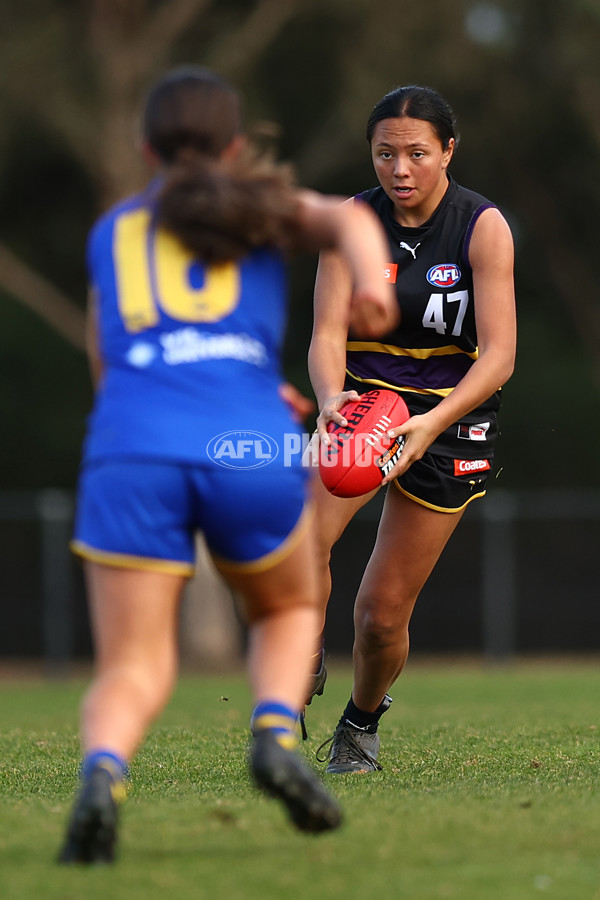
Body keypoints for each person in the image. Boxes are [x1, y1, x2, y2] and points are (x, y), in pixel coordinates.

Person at [58, 65, 398, 863]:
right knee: (286, 608)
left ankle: (105, 773)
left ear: (146, 148)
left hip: (131, 448)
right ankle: (276, 732)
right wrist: (375, 300)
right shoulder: (263, 207)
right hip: (247, 441)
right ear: (237, 144)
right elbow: (350, 224)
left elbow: (110, 363)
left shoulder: (113, 230)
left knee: (134, 662)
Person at [306, 84, 516, 773]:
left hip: (448, 417)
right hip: (365, 407)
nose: (400, 169)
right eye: (385, 153)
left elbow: (500, 357)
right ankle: (298, 655)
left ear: (449, 150)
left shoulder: (481, 226)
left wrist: (430, 423)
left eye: (417, 153)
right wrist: (332, 397)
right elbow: (327, 333)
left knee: (380, 615)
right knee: (297, 542)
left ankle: (360, 725)